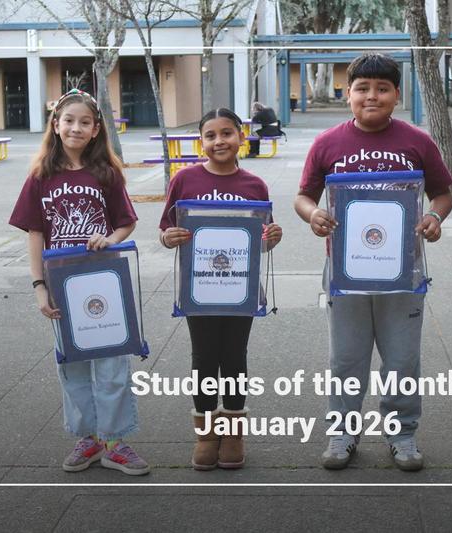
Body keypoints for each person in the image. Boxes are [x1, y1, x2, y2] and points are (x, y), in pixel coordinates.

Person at [294, 53, 452, 472]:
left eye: (382, 88)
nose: (372, 96)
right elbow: (303, 196)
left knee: (402, 358)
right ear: (347, 94)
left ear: (397, 94)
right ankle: (342, 432)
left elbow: (442, 194)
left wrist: (434, 217)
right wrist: (313, 214)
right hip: (346, 272)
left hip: (403, 271)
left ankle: (402, 433)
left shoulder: (417, 142)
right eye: (362, 88)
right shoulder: (327, 143)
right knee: (346, 358)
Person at [8, 88, 150, 476]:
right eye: (68, 120)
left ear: (95, 129)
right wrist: (39, 286)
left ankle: (115, 442)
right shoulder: (41, 176)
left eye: (84, 122)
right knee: (73, 364)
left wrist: (111, 239)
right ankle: (88, 438)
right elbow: (35, 233)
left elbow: (126, 222)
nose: (76, 128)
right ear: (55, 125)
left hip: (104, 281)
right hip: (61, 283)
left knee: (112, 363)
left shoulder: (107, 173)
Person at [159, 108, 283, 471]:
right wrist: (168, 238)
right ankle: (205, 433)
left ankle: (233, 434)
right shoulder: (184, 181)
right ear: (201, 142)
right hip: (199, 287)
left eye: (227, 133)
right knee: (203, 358)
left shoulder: (254, 185)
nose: (219, 141)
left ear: (241, 137)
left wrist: (272, 238)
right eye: (210, 135)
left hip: (240, 287)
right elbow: (166, 229)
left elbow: (262, 241)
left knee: (233, 357)